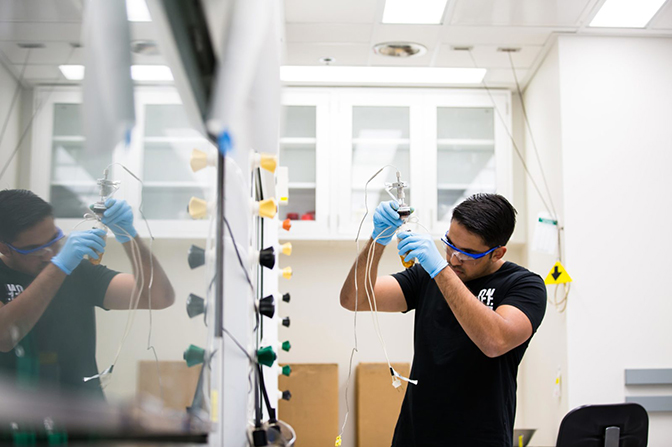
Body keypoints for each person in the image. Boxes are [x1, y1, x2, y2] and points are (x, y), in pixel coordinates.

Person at [340, 193, 546, 447]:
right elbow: (355, 299)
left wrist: (440, 269)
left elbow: (495, 341)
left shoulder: (524, 285)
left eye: (468, 252)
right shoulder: (428, 275)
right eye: (450, 243)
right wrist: (377, 241)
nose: (454, 258)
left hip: (480, 439)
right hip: (413, 437)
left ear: (497, 253)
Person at [0, 189, 175, 398]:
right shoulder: (62, 266)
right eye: (36, 249)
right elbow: (4, 337)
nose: (49, 255)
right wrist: (60, 266)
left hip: (84, 419)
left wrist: (129, 237)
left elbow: (158, 296)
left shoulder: (77, 271)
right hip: (20, 422)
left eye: (54, 240)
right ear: (5, 248)